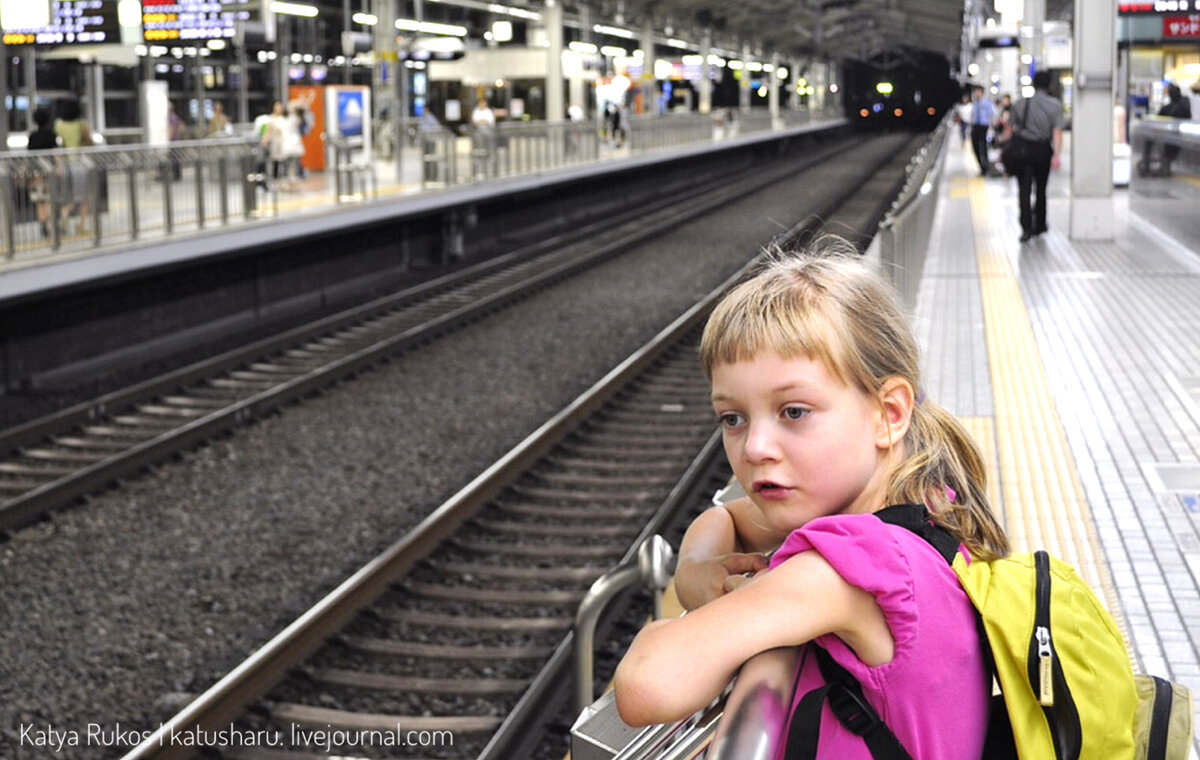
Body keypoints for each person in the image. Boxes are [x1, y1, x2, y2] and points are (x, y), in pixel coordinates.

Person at [613, 241, 1010, 758]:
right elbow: (727, 517)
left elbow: (646, 685)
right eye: (732, 418)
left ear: (889, 413)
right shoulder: (929, 504)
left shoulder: (847, 570)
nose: (754, 448)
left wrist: (682, 615)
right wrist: (696, 568)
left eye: (794, 412)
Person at [1007, 71, 1063, 242]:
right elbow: (1057, 133)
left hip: (1023, 151)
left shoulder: (1020, 103)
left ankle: (1025, 228)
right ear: (1050, 86)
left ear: (1033, 84)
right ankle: (1039, 225)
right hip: (1042, 150)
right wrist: (1057, 155)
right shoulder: (1055, 105)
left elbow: (1009, 131)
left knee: (1023, 190)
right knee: (1040, 189)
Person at [53, 97, 94, 234]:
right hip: (79, 163)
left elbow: (57, 144)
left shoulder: (58, 125)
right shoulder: (81, 125)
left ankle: (64, 220)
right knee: (83, 197)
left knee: (67, 195)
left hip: (64, 165)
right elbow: (89, 141)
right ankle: (80, 225)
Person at [27, 107, 58, 237]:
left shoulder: (32, 136)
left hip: (36, 173)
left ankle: (42, 223)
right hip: (48, 172)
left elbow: (29, 156)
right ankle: (51, 224)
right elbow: (56, 153)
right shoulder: (52, 135)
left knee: (40, 201)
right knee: (49, 199)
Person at [969, 86, 995, 176]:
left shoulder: (987, 102)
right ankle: (981, 166)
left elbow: (991, 115)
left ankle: (986, 167)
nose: (976, 93)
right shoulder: (975, 103)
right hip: (976, 126)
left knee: (983, 147)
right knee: (975, 146)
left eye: (977, 91)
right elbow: (973, 115)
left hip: (984, 126)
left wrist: (991, 129)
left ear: (981, 92)